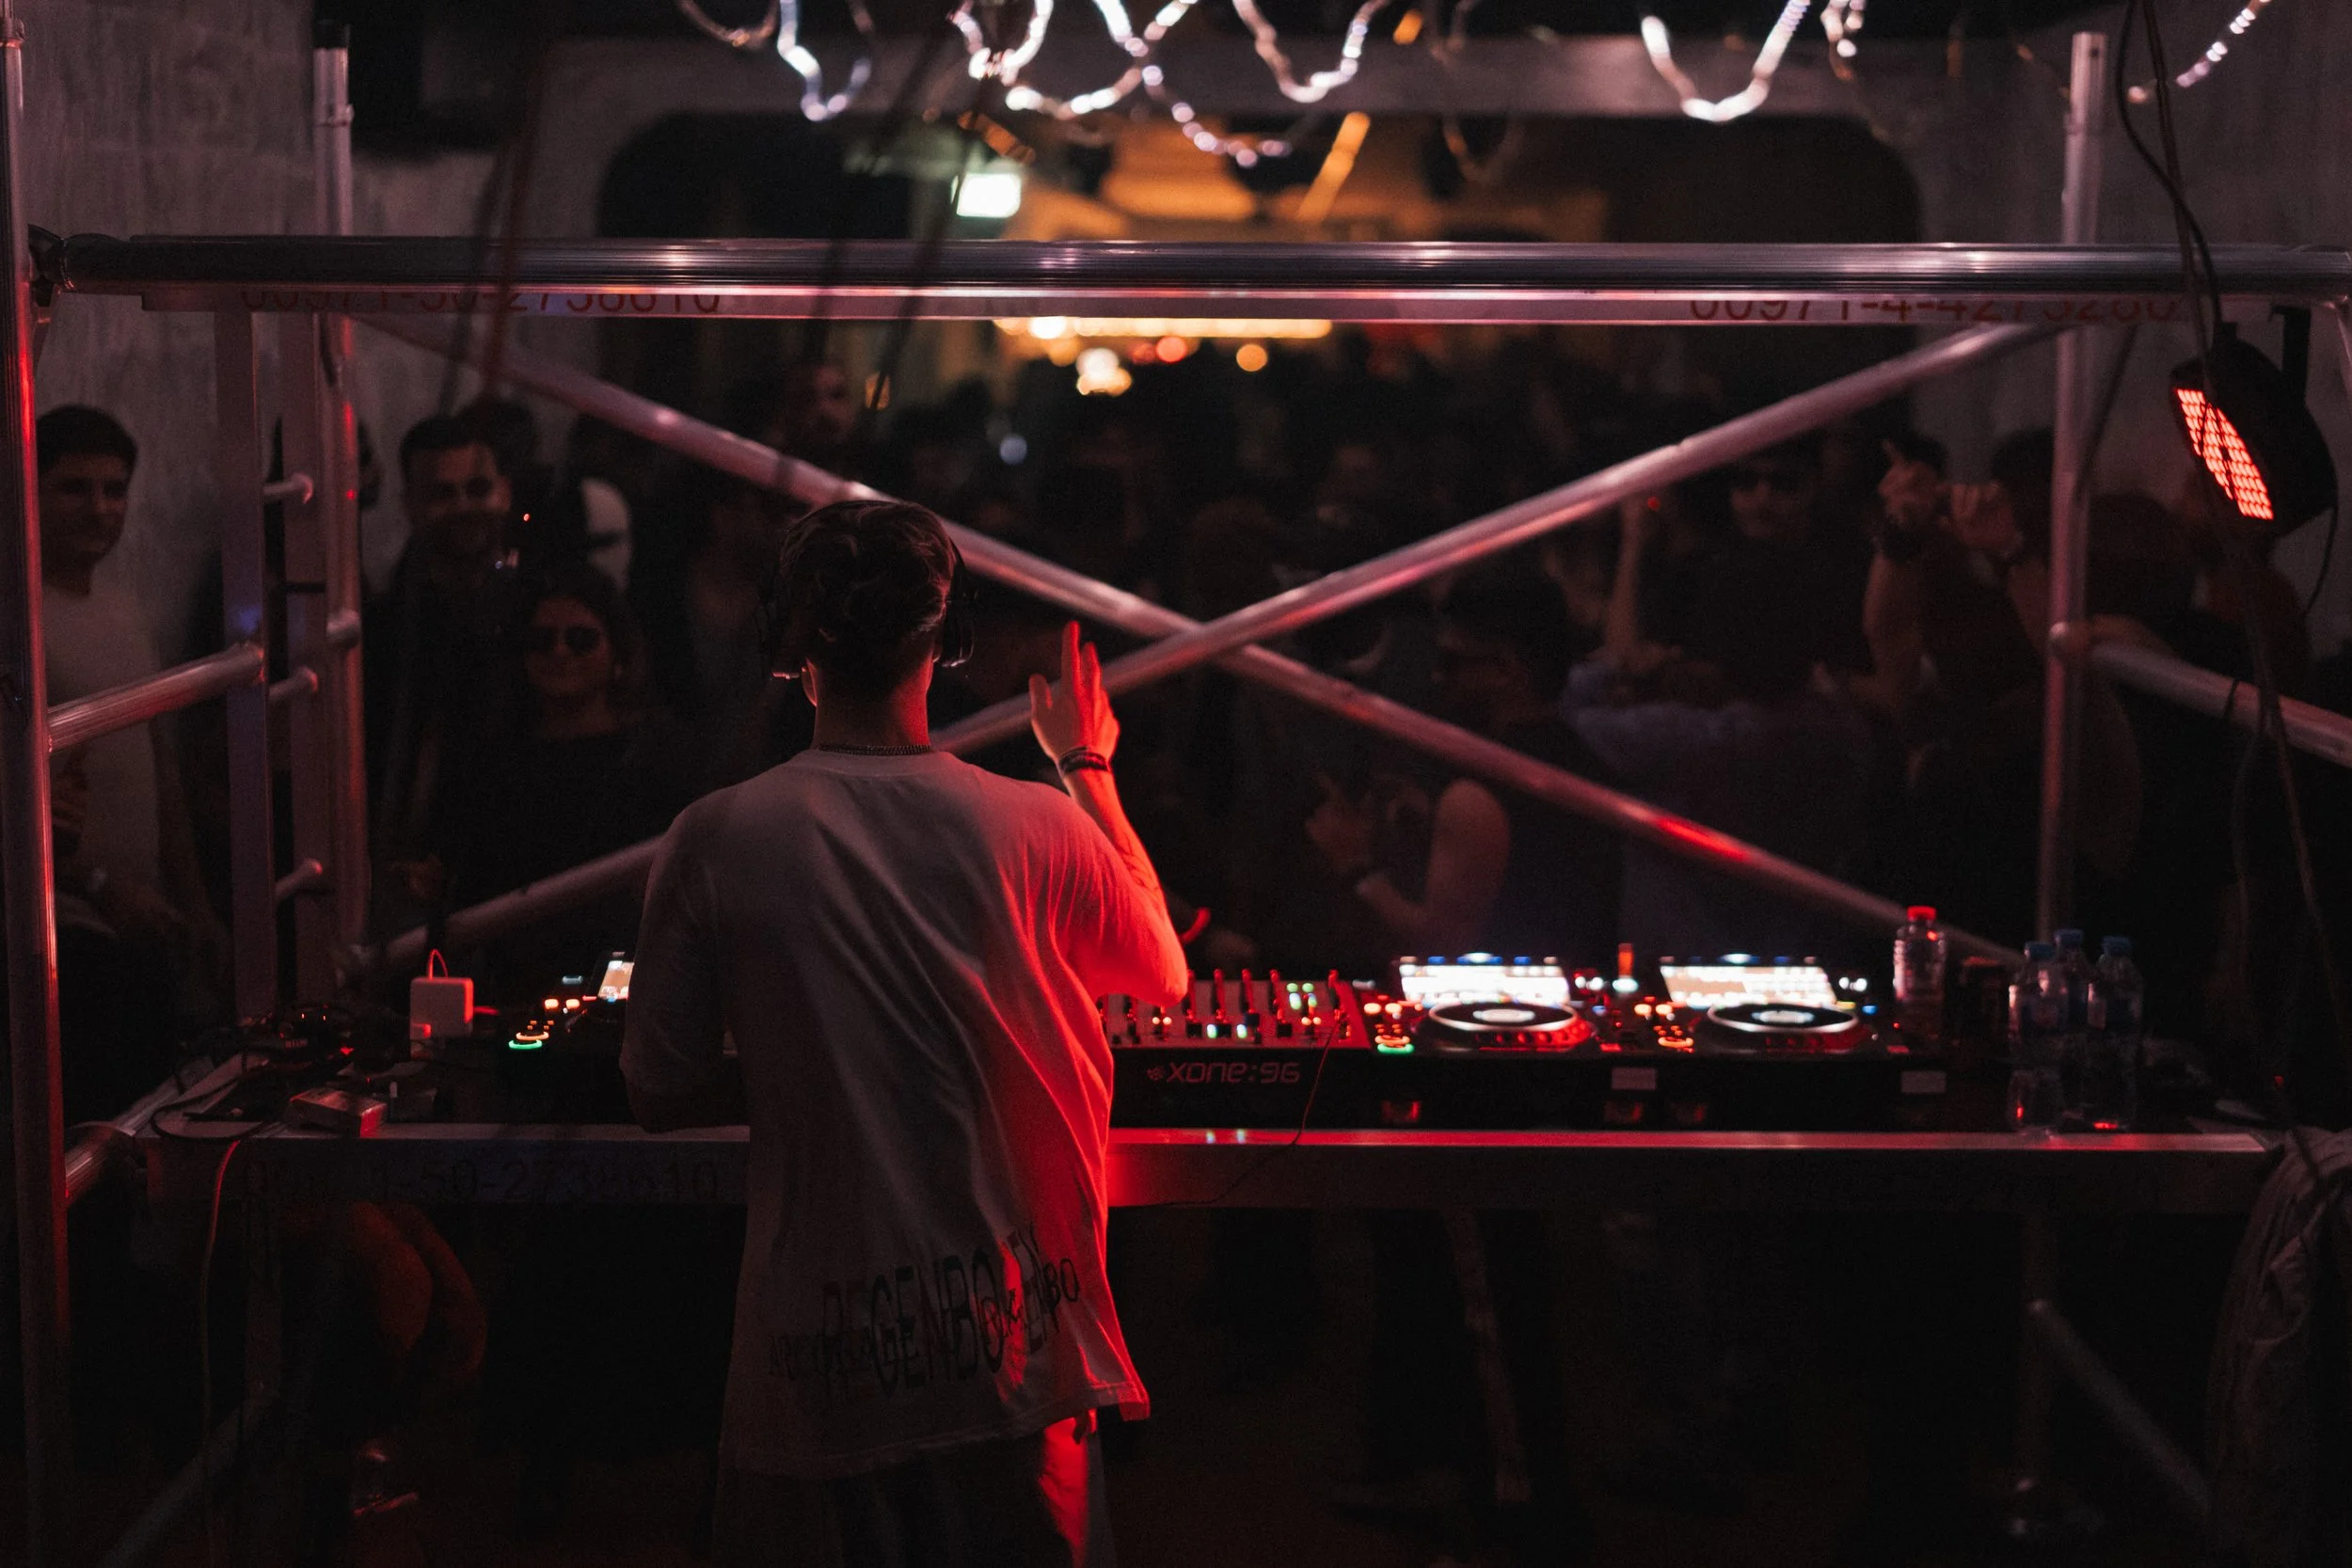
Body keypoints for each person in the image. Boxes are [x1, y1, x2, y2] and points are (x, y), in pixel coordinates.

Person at [621, 499, 1186, 1567]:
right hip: (1016, 1349)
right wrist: (1088, 767)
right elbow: (1159, 967)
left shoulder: (715, 836)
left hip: (815, 1361)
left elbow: (658, 1087)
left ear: (787, 645)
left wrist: (825, 1063)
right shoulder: (1041, 819)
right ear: (949, 639)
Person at [1308, 562, 1620, 965]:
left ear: (1507, 671)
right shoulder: (1586, 766)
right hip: (1581, 1004)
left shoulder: (1479, 796)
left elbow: (1441, 949)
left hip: (1494, 1016)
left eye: (1452, 660)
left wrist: (1357, 867)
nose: (1438, 676)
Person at [425, 566, 698, 990]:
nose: (560, 653)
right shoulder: (494, 763)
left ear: (617, 656)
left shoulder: (662, 755)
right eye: (541, 641)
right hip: (517, 980)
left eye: (581, 639)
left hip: (633, 975)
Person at [35, 405, 223, 1013]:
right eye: (74, 488)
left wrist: (196, 904)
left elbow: (157, 768)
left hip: (143, 920)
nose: (99, 508)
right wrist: (97, 886)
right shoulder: (17, 621)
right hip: (61, 929)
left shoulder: (123, 608)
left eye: (114, 490)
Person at [368, 412, 523, 887]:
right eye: (441, 494)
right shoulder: (387, 627)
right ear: (410, 504)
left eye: (478, 488)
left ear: (505, 492)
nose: (462, 507)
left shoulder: (542, 604)